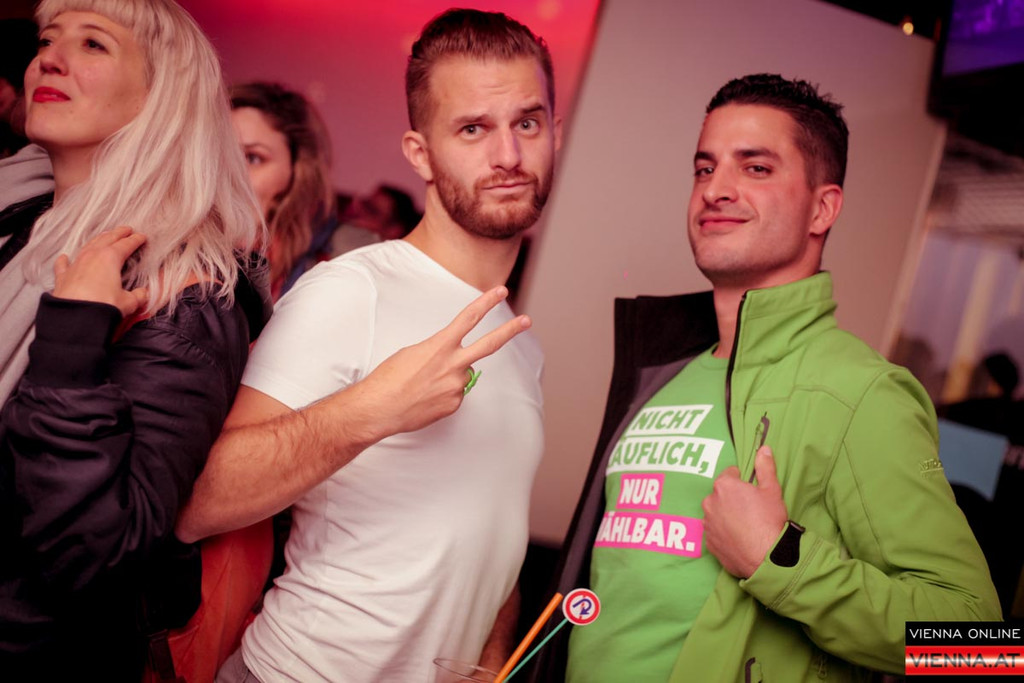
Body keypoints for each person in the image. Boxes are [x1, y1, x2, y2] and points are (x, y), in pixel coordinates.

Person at [533, 74, 1000, 683]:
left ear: (822, 208)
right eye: (705, 168)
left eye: (755, 168)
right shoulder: (661, 374)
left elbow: (978, 650)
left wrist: (780, 560)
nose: (715, 190)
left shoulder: (860, 394)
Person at [177, 8, 562, 682]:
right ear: (420, 154)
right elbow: (200, 501)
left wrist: (493, 657)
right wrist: (373, 409)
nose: (507, 155)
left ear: (554, 133)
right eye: (472, 129)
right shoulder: (353, 289)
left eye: (527, 123)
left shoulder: (519, 342)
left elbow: (486, 538)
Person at [0, 0, 272, 679]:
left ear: (161, 97)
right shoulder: (15, 219)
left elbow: (99, 557)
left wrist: (71, 341)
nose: (49, 59)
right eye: (47, 39)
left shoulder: (183, 289)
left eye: (93, 44)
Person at [230, 81, 337, 300]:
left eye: (253, 158)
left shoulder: (331, 270)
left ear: (296, 172)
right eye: (219, 154)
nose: (230, 174)